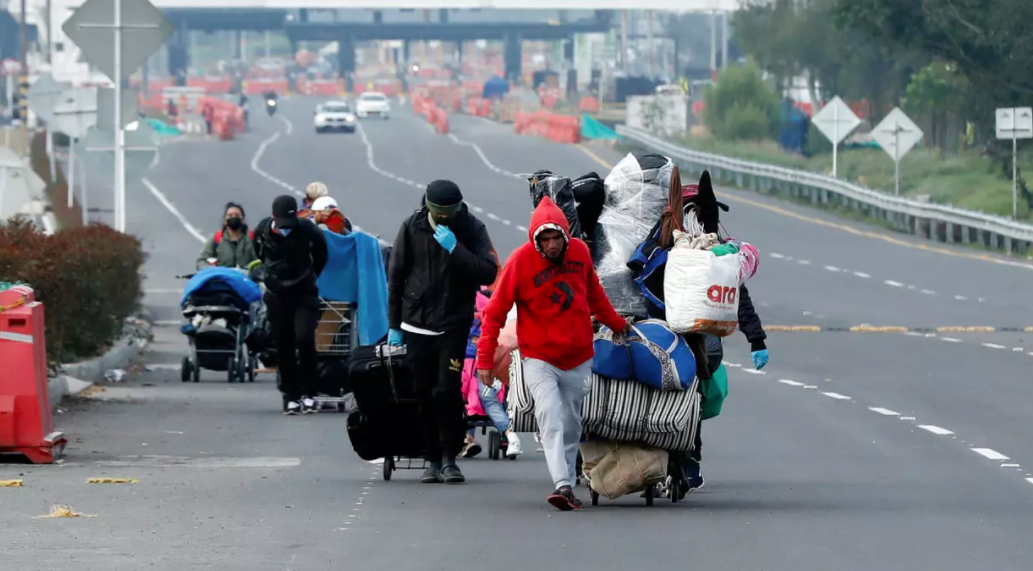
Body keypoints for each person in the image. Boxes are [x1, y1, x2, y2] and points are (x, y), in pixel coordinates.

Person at [476, 196, 629, 511]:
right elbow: (493, 314)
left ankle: (568, 483)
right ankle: (561, 484)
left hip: (577, 356)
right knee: (549, 415)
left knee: (571, 423)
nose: (551, 245)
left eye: (555, 237)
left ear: (564, 233)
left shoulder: (581, 253)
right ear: (535, 240)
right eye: (544, 240)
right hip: (538, 357)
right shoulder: (520, 263)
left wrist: (617, 325)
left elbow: (595, 296)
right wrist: (485, 361)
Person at [387, 180, 498, 485]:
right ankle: (431, 459)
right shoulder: (412, 227)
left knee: (446, 390)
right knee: (421, 392)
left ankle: (450, 458)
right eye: (441, 212)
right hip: (415, 323)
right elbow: (396, 276)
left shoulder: (473, 228)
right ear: (430, 207)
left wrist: (455, 249)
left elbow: (488, 271)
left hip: (453, 322)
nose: (447, 217)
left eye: (452, 211)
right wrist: (394, 325)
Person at [253, 195, 329, 415]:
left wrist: (311, 275)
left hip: (304, 293)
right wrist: (270, 277)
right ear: (273, 217)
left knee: (304, 340)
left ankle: (309, 394)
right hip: (277, 295)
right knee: (283, 346)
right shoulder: (263, 231)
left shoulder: (307, 229)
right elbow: (259, 253)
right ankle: (291, 396)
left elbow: (321, 253)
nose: (286, 229)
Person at [195, 202, 257, 270]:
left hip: (245, 279)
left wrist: (251, 271)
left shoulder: (252, 238)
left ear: (243, 219)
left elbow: (260, 262)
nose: (233, 217)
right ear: (225, 220)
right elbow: (201, 261)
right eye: (230, 215)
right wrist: (212, 271)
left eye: (237, 215)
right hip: (222, 278)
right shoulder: (216, 238)